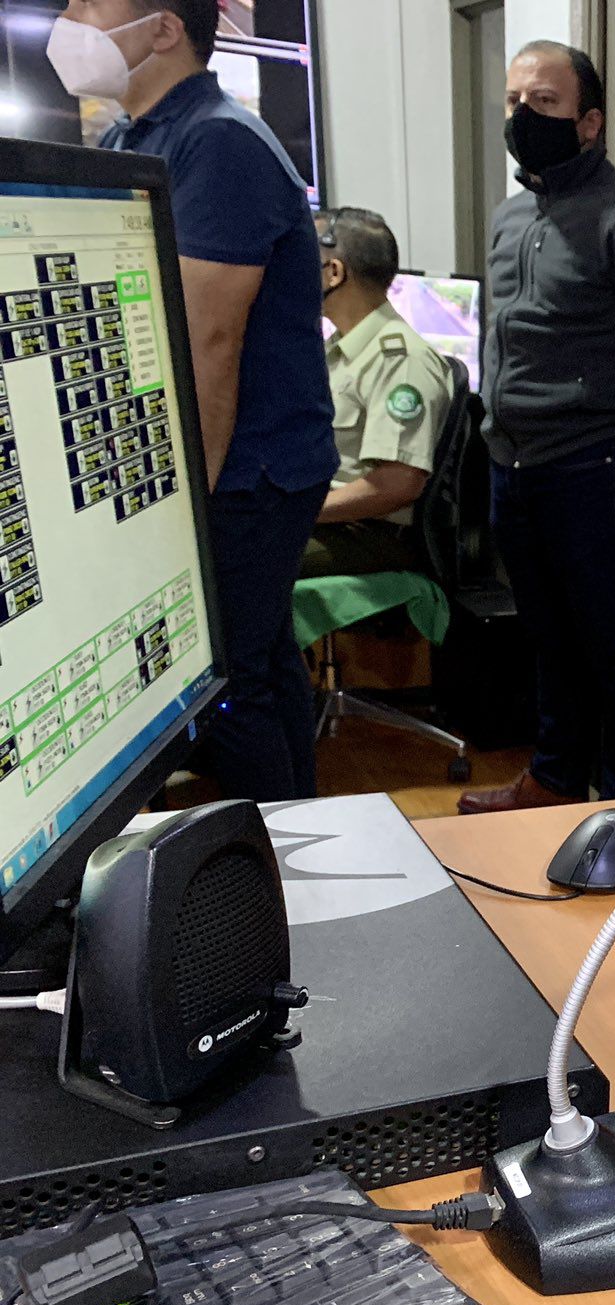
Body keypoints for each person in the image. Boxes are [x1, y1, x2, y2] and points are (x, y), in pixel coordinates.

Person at [54, 0, 336, 801]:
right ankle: (300, 849)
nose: (70, 18)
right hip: (230, 459)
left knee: (226, 680)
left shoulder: (216, 141)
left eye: (90, 4)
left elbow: (208, 345)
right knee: (266, 662)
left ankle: (274, 883)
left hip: (248, 469)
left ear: (164, 30)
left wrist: (185, 506)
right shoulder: (131, 137)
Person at [458, 41, 615, 814]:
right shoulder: (508, 219)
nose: (523, 117)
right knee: (547, 635)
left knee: (613, 642)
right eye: (514, 102)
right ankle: (557, 777)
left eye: (544, 103)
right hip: (514, 462)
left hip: (594, 465)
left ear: (590, 121)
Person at [302, 207, 453, 580]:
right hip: (334, 520)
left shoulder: (401, 362)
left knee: (242, 566)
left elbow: (397, 485)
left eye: (303, 261)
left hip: (370, 534)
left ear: (334, 273)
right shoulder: (341, 348)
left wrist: (300, 512)